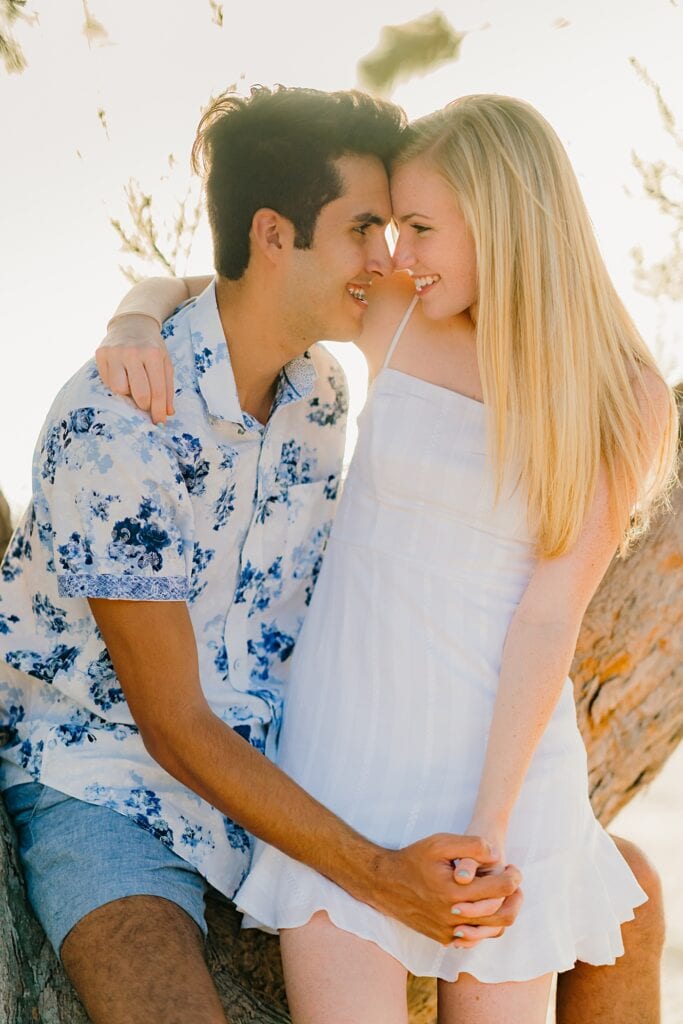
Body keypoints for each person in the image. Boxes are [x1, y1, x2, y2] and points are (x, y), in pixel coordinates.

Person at [98, 94, 678, 1024]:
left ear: (502, 218)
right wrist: (132, 324)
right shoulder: (396, 314)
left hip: (505, 774)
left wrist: (489, 833)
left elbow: (547, 616)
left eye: (419, 226)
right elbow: (224, 291)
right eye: (392, 225)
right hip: (346, 755)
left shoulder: (621, 392)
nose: (397, 252)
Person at [0, 87, 523, 1024]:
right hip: (109, 784)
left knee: (610, 909)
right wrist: (380, 877)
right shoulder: (118, 426)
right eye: (363, 225)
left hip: (282, 768)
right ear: (275, 234)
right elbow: (172, 728)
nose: (387, 256)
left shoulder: (320, 387)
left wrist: (137, 306)